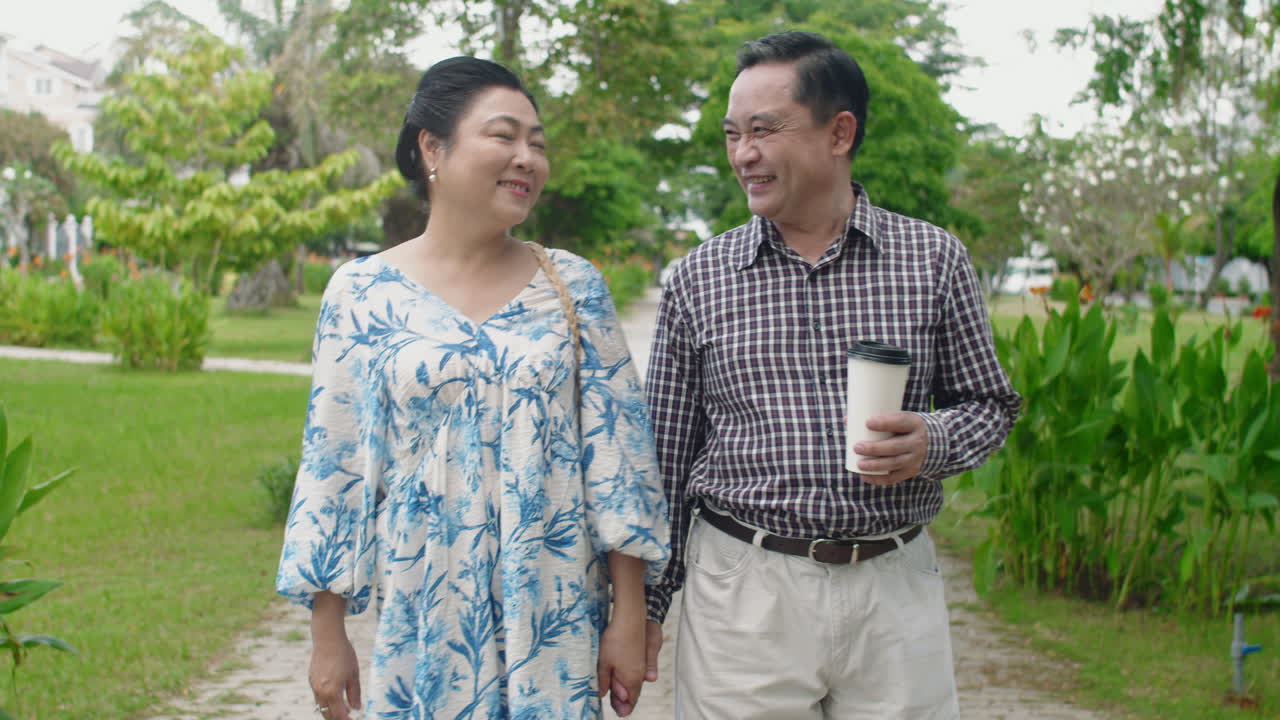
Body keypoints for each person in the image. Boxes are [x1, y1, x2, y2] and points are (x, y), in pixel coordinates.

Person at [642, 31, 1021, 719]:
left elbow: (990, 405)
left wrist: (930, 441)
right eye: (732, 135)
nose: (742, 155)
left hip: (894, 585)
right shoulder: (700, 278)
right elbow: (666, 455)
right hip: (745, 589)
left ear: (839, 132)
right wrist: (647, 608)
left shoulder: (932, 260)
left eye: (763, 130)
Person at [276, 56, 669, 720]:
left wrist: (629, 615)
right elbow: (333, 470)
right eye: (505, 135)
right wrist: (327, 635)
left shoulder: (572, 287)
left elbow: (619, 461)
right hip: (425, 610)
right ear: (433, 147)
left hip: (553, 612)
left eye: (537, 144)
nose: (527, 158)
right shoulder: (362, 293)